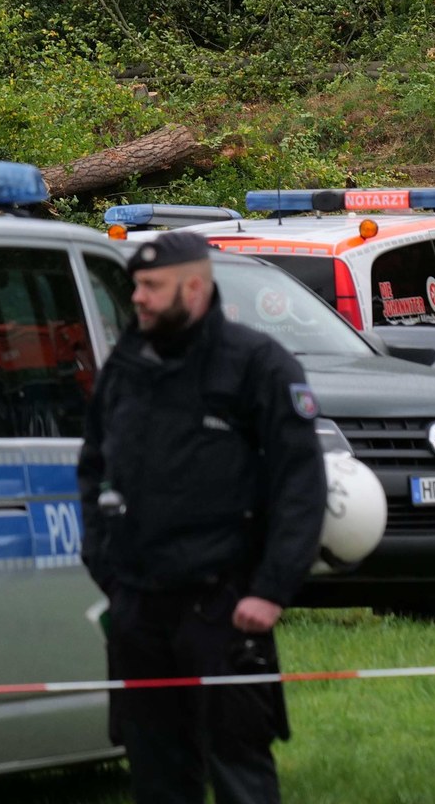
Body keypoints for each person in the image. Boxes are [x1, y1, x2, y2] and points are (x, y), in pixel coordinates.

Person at [78, 230, 326, 804]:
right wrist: (106, 570)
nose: (137, 297)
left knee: (240, 770)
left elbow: (300, 484)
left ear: (193, 287)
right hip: (139, 605)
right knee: (156, 773)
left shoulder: (257, 365)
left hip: (225, 607)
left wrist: (271, 589)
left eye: (151, 287)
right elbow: (91, 469)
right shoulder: (126, 366)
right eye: (136, 285)